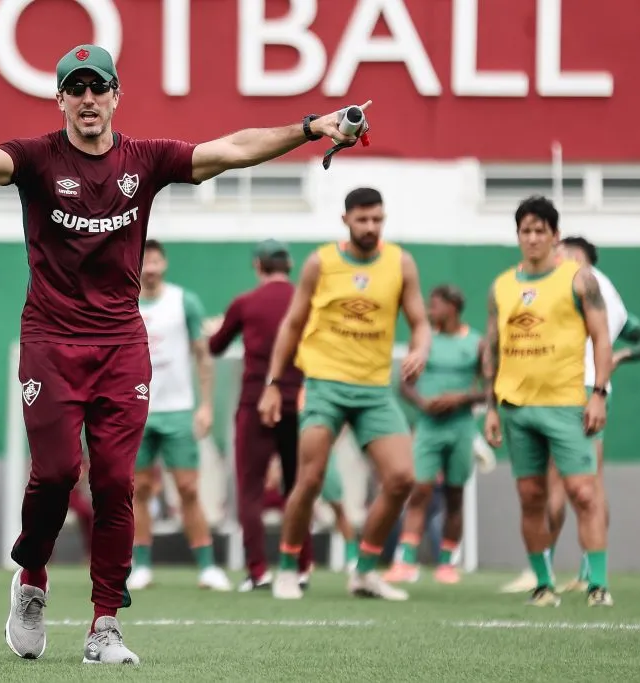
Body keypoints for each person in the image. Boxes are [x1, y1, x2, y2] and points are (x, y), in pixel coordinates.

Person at [0, 43, 370, 663]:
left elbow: (230, 150)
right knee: (58, 473)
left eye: (98, 87)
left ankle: (104, 624)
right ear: (60, 99)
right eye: (76, 88)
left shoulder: (146, 160)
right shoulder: (36, 159)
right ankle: (31, 578)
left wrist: (310, 128)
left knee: (116, 482)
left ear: (116, 95)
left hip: (120, 344)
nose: (88, 98)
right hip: (51, 341)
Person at [258, 187, 430, 602]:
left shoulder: (401, 262)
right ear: (346, 220)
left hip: (374, 390)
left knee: (402, 478)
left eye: (377, 219)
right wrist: (273, 384)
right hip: (325, 386)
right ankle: (287, 569)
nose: (370, 227)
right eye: (362, 219)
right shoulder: (321, 263)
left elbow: (420, 322)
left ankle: (364, 572)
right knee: (310, 479)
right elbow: (292, 324)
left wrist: (420, 349)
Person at [499, 235, 640, 595]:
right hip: (588, 389)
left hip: (573, 390)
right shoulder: (606, 293)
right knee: (588, 486)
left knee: (558, 484)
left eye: (561, 250)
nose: (554, 255)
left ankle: (546, 571)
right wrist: (619, 358)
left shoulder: (580, 281)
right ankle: (586, 573)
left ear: (577, 255)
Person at [483, 196, 613, 608]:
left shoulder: (579, 279)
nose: (533, 238)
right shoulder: (502, 286)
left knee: (584, 493)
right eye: (526, 231)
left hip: (567, 404)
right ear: (518, 235)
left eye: (541, 230)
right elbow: (492, 348)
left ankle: (598, 585)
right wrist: (490, 407)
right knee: (531, 497)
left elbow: (602, 338)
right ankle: (542, 584)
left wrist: (599, 394)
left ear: (555, 236)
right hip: (516, 409)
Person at [207, 239, 314, 591]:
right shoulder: (307, 302)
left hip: (256, 402)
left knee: (250, 489)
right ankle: (301, 567)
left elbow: (216, 346)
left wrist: (213, 328)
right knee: (299, 487)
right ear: (290, 266)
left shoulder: (246, 302)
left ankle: (258, 571)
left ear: (258, 266)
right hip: (298, 403)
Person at [128, 240, 231, 592]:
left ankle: (207, 567)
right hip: (136, 411)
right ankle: (141, 566)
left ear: (165, 264)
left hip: (177, 410)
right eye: (145, 262)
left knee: (188, 488)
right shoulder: (124, 301)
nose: (150, 268)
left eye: (156, 261)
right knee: (139, 489)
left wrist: (206, 405)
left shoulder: (183, 301)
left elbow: (202, 355)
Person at [385, 284, 484, 586]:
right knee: (419, 491)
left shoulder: (477, 343)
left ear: (453, 307)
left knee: (455, 495)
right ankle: (406, 562)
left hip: (461, 428)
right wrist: (423, 402)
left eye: (436, 305)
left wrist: (460, 398)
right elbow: (404, 384)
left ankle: (447, 563)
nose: (430, 311)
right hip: (428, 427)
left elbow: (492, 389)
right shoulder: (423, 341)